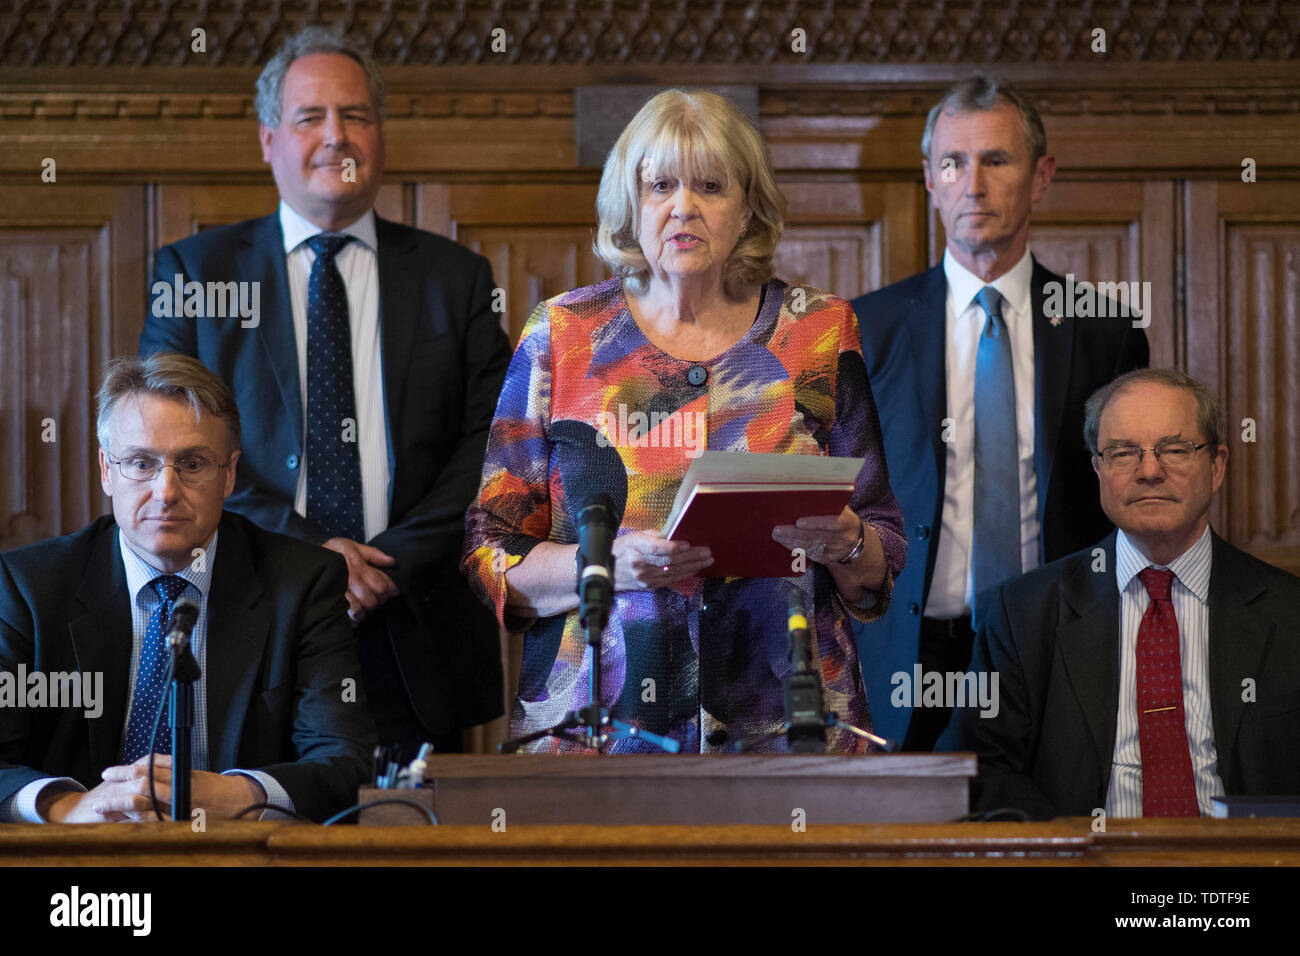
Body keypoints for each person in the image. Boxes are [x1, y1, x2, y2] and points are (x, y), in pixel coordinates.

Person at [461, 89, 907, 754]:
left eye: (710, 186)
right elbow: (488, 550)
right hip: (597, 738)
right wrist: (604, 560)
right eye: (660, 184)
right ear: (630, 203)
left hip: (790, 727)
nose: (683, 207)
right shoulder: (562, 334)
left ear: (747, 204)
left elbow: (883, 549)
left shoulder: (818, 330)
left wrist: (844, 543)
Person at [139, 27, 510, 758]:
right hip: (253, 620)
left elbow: (493, 441)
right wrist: (317, 555)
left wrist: (380, 564)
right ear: (269, 138)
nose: (336, 136)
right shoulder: (196, 272)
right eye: (311, 117)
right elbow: (168, 445)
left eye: (357, 116)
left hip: (415, 629)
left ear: (380, 136)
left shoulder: (455, 277)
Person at [851, 76, 1149, 750]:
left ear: (1041, 176)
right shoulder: (869, 328)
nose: (973, 185)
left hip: (1061, 644)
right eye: (953, 163)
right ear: (930, 178)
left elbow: (1127, 505)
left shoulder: (1105, 332)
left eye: (997, 160)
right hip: (911, 650)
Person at [0, 354, 375, 823]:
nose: (166, 490)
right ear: (106, 470)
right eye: (141, 462)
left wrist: (240, 795)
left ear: (230, 473)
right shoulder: (29, 586)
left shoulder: (301, 584)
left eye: (192, 463)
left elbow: (344, 759)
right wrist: (67, 806)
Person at [947, 369, 1300, 819]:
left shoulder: (1289, 613)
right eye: (1122, 452)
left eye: (1175, 449)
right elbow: (981, 769)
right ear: (1098, 470)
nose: (1150, 471)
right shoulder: (1021, 616)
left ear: (1217, 466)